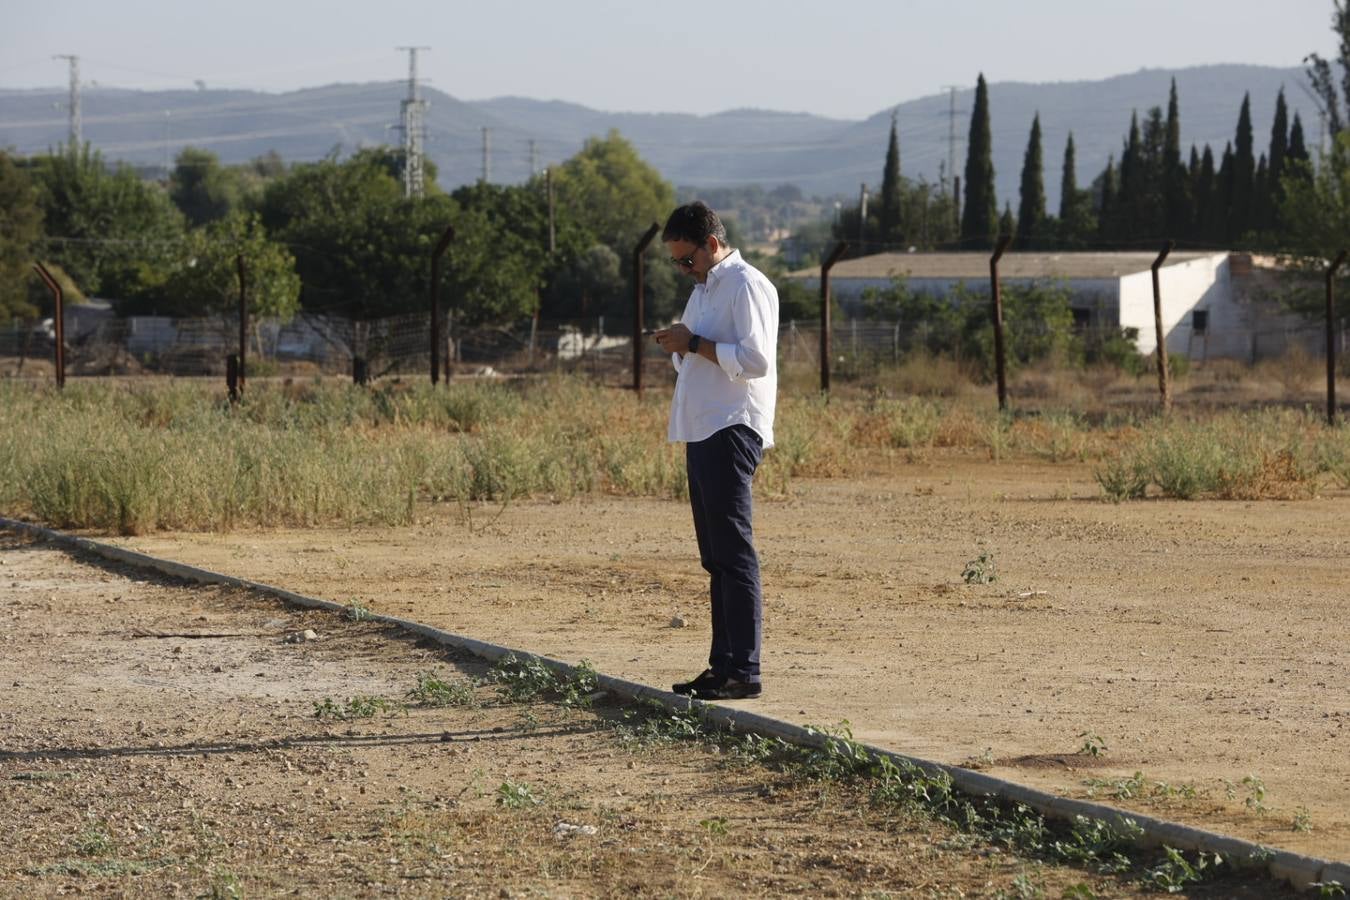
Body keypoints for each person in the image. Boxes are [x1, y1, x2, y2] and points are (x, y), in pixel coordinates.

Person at [653, 202, 778, 701]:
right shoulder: (703, 292)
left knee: (733, 552)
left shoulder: (747, 284)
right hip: (702, 427)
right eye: (677, 264)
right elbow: (696, 359)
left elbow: (755, 360)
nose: (685, 270)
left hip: (732, 427)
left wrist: (695, 341)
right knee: (715, 557)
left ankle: (744, 670)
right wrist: (680, 346)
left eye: (688, 260)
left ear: (711, 244)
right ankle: (722, 666)